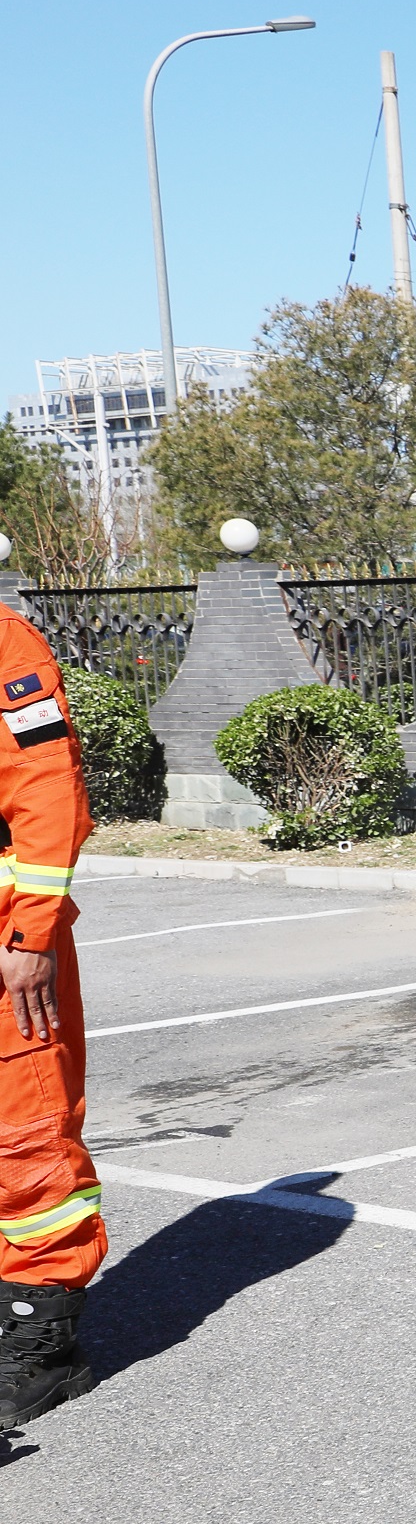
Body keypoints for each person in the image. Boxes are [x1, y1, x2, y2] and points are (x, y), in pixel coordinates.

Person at [0, 610, 104, 1431]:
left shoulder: (4, 641)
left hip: (6, 938)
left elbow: (45, 786)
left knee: (25, 1133)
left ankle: (44, 1339)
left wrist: (31, 928)